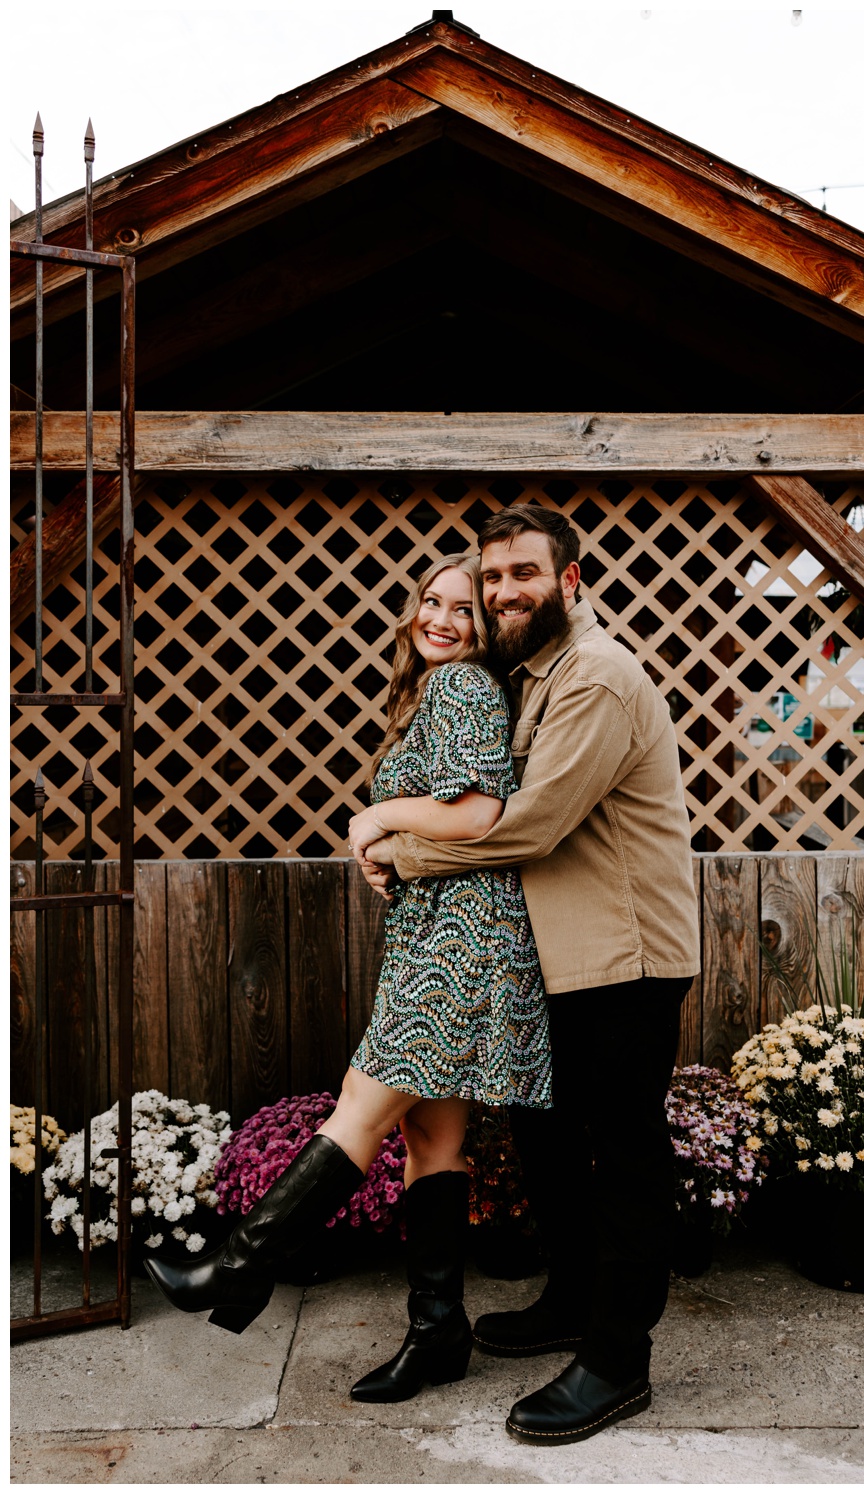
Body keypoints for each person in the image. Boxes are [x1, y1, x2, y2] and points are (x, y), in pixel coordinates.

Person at [147, 554, 553, 1409]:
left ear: (486, 625)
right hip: (446, 936)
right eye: (430, 602)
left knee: (360, 1114)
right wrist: (389, 853)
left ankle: (237, 1267)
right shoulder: (442, 692)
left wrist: (376, 819)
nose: (441, 618)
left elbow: (479, 813)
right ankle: (437, 1331)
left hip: (458, 947)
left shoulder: (464, 690)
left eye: (463, 608)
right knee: (435, 1144)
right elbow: (454, 819)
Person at [357, 502, 700, 1448]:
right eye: (494, 576)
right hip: (560, 952)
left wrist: (396, 846)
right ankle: (572, 1301)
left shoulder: (595, 678)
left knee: (622, 1149)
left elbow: (532, 824)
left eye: (525, 575)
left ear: (572, 582)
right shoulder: (529, 675)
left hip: (623, 954)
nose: (505, 592)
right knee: (547, 1138)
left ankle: (617, 1361)